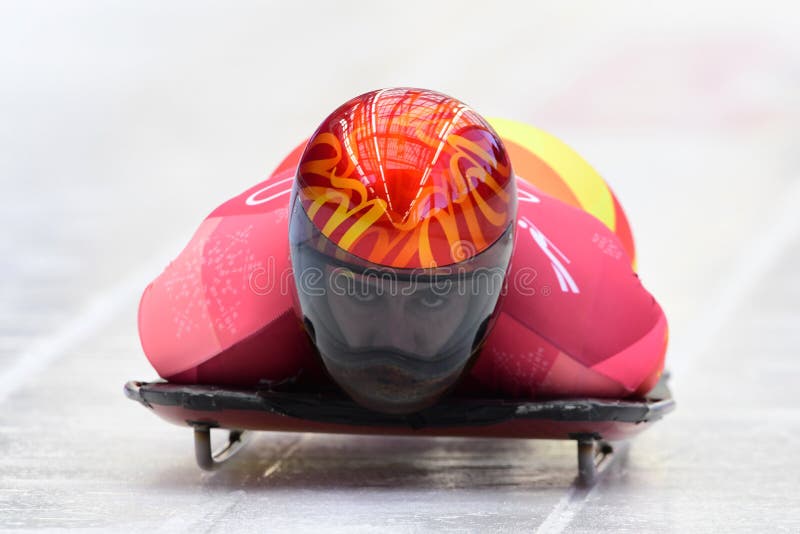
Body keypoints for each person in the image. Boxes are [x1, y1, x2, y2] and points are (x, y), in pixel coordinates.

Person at [137, 88, 667, 415]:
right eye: (356, 289)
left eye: (432, 299)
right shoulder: (211, 295)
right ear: (299, 264)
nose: (394, 343)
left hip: (559, 184)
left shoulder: (592, 322)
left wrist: (353, 291)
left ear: (498, 278)